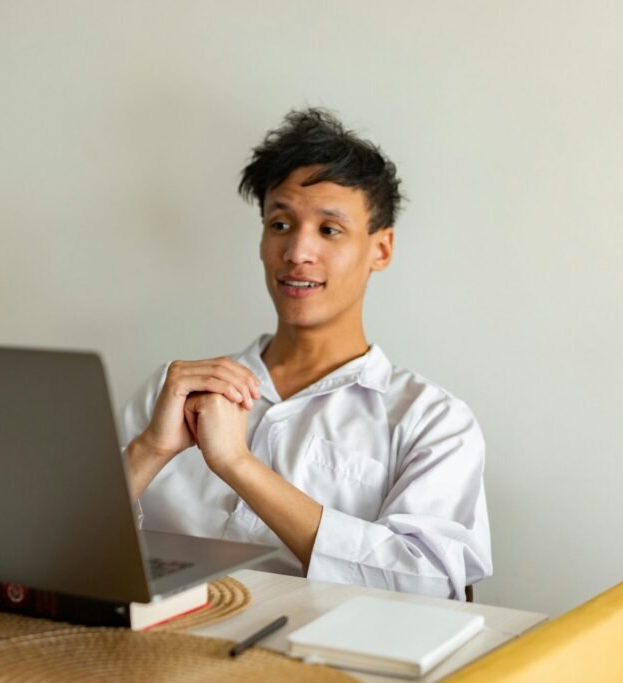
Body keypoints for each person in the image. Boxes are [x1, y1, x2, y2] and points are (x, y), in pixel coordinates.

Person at [120, 108, 492, 600]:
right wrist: (150, 449)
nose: (297, 251)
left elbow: (429, 586)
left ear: (380, 250)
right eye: (280, 223)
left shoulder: (431, 420)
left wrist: (238, 465)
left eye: (329, 230)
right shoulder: (175, 391)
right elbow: (63, 550)